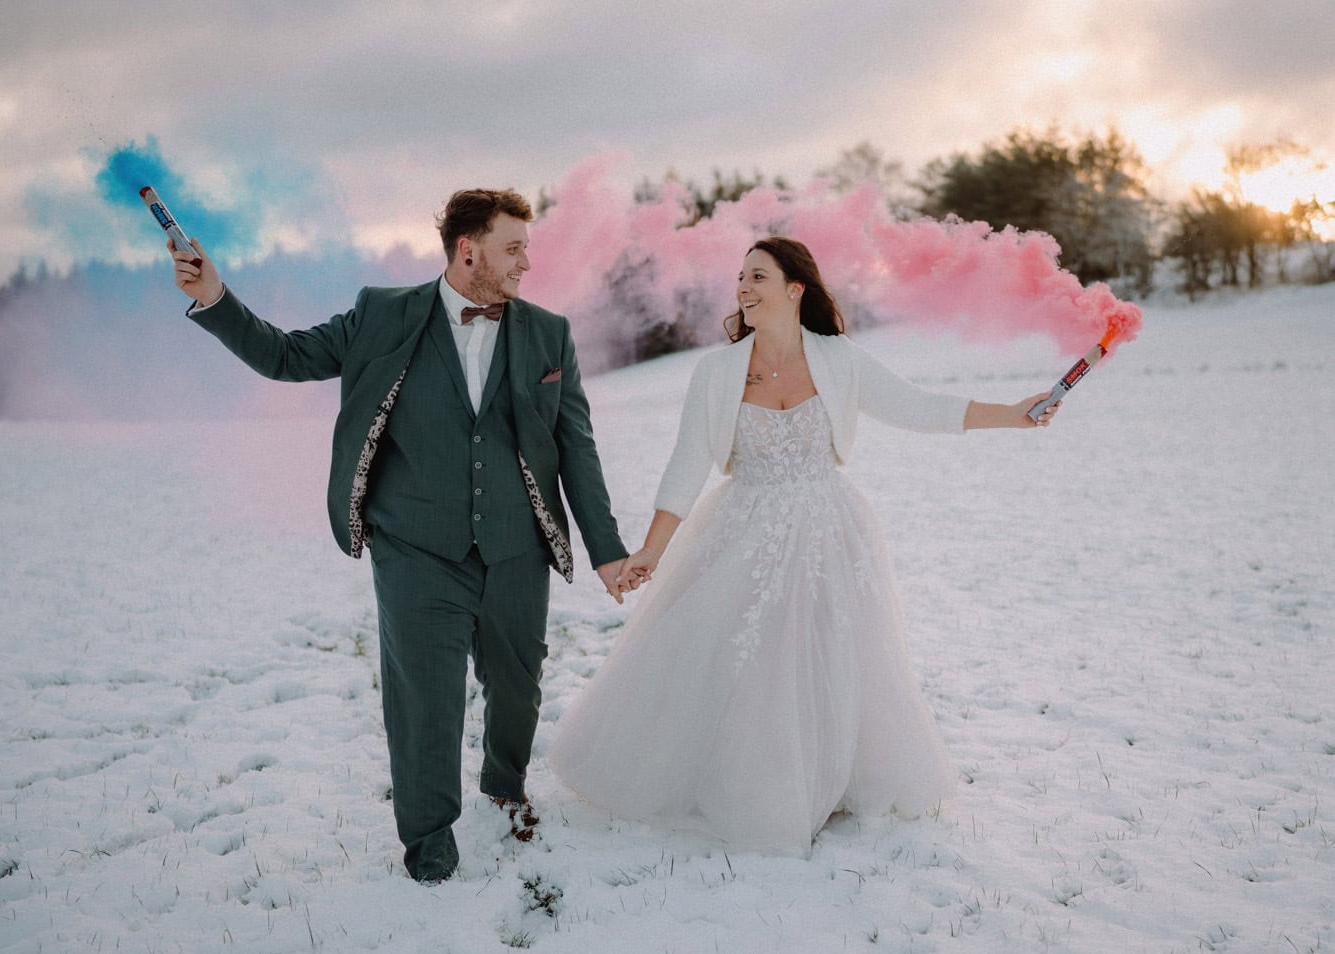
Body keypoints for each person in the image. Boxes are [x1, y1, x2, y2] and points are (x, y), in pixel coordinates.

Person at [167, 188, 632, 883]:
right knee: (424, 697)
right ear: (467, 249)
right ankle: (429, 838)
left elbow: (577, 447)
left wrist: (609, 551)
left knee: (517, 685)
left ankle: (505, 787)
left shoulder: (547, 333)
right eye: (514, 248)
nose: (526, 263)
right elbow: (287, 356)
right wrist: (217, 298)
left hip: (515, 546)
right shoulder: (381, 315)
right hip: (415, 545)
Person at [549, 236, 1058, 857]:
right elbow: (686, 467)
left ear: (795, 289)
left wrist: (1013, 413)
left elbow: (919, 407)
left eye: (758, 276)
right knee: (746, 656)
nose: (743, 288)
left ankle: (834, 778)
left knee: (830, 652)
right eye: (740, 278)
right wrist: (650, 552)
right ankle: (749, 783)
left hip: (827, 527)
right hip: (742, 526)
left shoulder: (839, 359)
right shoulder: (715, 373)